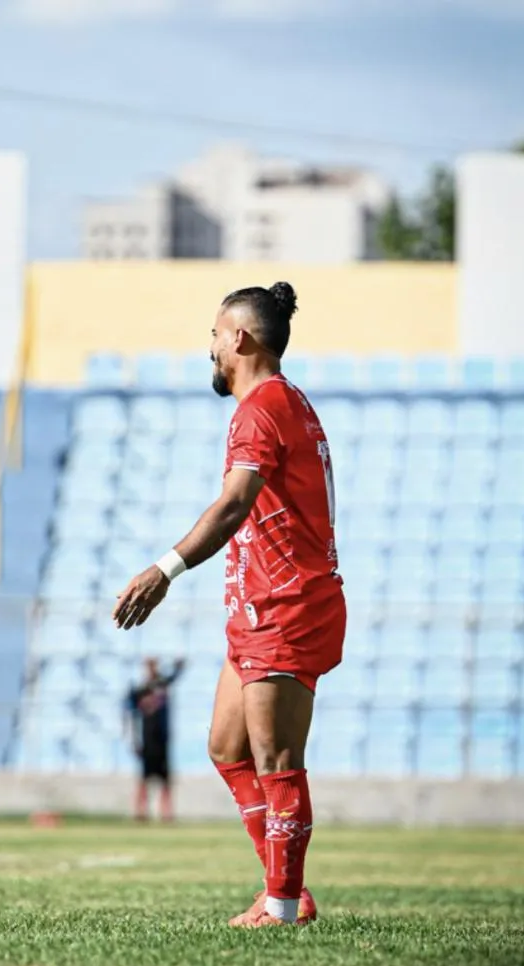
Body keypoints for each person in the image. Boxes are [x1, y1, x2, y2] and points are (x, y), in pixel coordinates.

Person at [113, 282, 345, 928]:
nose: (209, 347)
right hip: (259, 605)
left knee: (276, 761)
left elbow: (233, 504)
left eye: (214, 335)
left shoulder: (260, 409)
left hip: (285, 603)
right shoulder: (284, 403)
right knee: (226, 748)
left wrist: (164, 570)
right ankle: (283, 890)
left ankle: (280, 904)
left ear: (239, 339)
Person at [124, 656, 185, 822]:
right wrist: (133, 740)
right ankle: (140, 812)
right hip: (147, 741)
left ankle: (167, 813)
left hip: (162, 740)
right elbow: (129, 715)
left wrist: (178, 667)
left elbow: (173, 676)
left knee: (165, 780)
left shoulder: (161, 685)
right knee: (144, 779)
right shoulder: (139, 690)